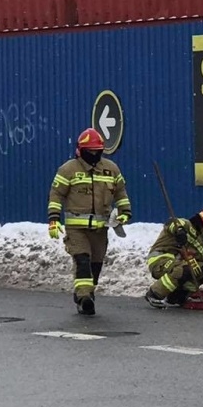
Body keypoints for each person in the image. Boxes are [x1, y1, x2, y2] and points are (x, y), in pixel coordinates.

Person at [47, 128, 131, 316]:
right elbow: (56, 195)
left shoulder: (111, 169)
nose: (93, 154)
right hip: (77, 229)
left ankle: (85, 293)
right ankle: (84, 298)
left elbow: (121, 193)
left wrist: (125, 213)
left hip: (100, 230)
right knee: (82, 260)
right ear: (80, 150)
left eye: (97, 150)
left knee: (95, 265)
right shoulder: (68, 170)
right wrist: (53, 219)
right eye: (90, 150)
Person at [144, 209, 203, 308]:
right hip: (160, 259)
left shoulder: (201, 246)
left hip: (178, 263)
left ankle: (177, 296)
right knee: (183, 269)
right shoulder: (185, 224)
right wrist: (179, 232)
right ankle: (154, 294)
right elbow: (171, 223)